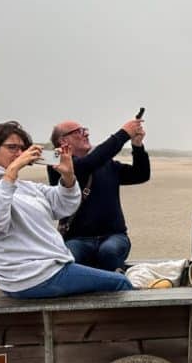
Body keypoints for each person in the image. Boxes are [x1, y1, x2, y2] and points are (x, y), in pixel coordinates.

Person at [0, 121, 133, 299]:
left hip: (44, 271)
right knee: (121, 283)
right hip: (31, 276)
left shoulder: (24, 187)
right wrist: (11, 172)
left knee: (99, 279)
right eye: (12, 148)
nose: (19, 154)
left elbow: (63, 206)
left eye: (22, 149)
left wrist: (68, 177)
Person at [47, 115, 150, 272]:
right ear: (63, 141)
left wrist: (137, 145)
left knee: (109, 251)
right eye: (78, 132)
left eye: (85, 130)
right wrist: (124, 133)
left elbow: (140, 174)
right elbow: (87, 164)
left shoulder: (105, 164)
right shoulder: (56, 162)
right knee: (70, 256)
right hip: (76, 238)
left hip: (114, 236)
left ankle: (116, 292)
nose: (86, 134)